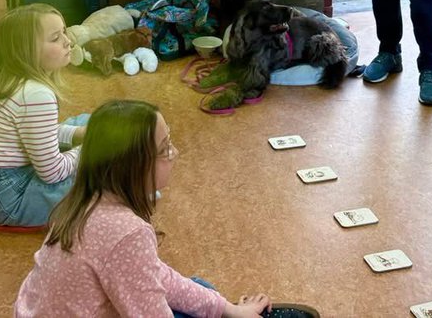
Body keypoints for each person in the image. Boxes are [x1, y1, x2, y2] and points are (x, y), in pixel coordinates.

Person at [14, 99, 272, 318]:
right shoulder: (126, 233)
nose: (175, 152)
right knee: (198, 299)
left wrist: (227, 309)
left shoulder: (84, 200)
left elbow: (153, 273)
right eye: (164, 148)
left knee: (202, 295)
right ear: (133, 168)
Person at [0, 3, 89, 227]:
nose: (67, 40)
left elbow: (37, 134)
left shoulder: (9, 78)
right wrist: (90, 149)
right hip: (9, 199)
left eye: (64, 31)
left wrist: (80, 134)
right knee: (103, 170)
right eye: (55, 38)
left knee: (88, 123)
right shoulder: (36, 95)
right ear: (25, 51)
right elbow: (52, 173)